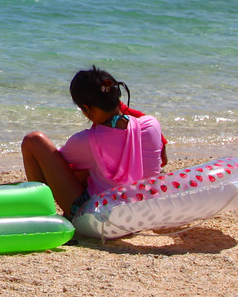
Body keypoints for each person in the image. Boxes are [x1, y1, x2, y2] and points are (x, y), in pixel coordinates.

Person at [20, 67, 167, 215]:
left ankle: (39, 213)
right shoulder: (151, 125)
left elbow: (58, 168)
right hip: (144, 213)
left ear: (86, 108)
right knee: (94, 165)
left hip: (100, 220)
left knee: (33, 140)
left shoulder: (88, 141)